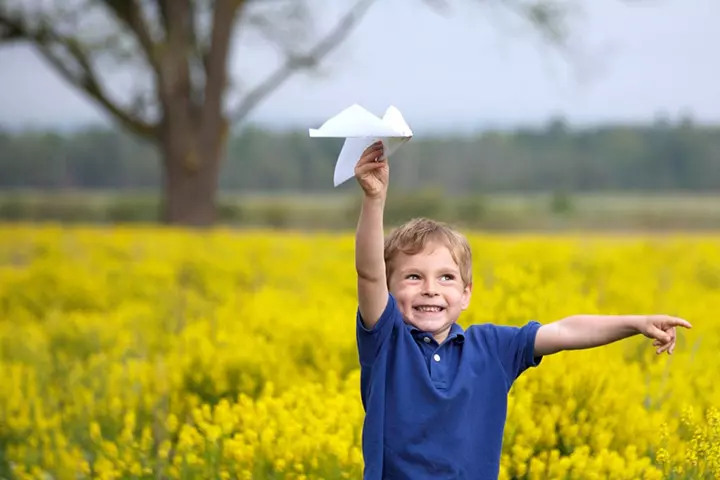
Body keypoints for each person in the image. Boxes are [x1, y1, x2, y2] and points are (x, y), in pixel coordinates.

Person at [352, 140, 693, 480]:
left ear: (466, 293)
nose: (431, 289)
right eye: (413, 277)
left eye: (446, 277)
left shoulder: (492, 347)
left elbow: (565, 332)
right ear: (389, 287)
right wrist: (374, 199)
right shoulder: (386, 341)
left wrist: (636, 322)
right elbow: (369, 273)